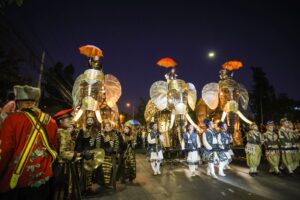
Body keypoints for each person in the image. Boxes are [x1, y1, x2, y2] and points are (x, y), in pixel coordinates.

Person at [0, 85, 58, 200]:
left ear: (18, 102)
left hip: (17, 181)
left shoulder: (12, 119)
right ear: (35, 102)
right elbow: (55, 147)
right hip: (43, 180)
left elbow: (6, 150)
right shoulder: (51, 121)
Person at [52, 108, 90, 200]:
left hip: (62, 165)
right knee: (66, 190)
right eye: (68, 119)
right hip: (64, 167)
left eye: (71, 119)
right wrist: (80, 154)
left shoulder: (60, 132)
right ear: (60, 121)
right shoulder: (63, 133)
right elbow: (64, 154)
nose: (71, 121)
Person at [75, 112, 102, 194]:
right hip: (84, 153)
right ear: (86, 121)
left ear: (93, 121)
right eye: (88, 120)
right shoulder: (82, 130)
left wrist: (95, 153)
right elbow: (79, 142)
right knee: (83, 172)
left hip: (92, 154)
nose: (89, 121)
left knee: (90, 172)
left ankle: (88, 188)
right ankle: (83, 189)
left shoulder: (96, 131)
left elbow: (98, 144)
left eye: (91, 120)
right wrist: (81, 152)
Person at [100, 122, 120, 188]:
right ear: (104, 128)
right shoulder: (102, 135)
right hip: (104, 155)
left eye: (108, 126)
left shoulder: (114, 135)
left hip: (112, 155)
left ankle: (111, 184)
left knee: (112, 169)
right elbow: (100, 144)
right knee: (104, 169)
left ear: (111, 127)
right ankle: (105, 184)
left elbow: (117, 143)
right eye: (105, 126)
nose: (107, 127)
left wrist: (115, 150)